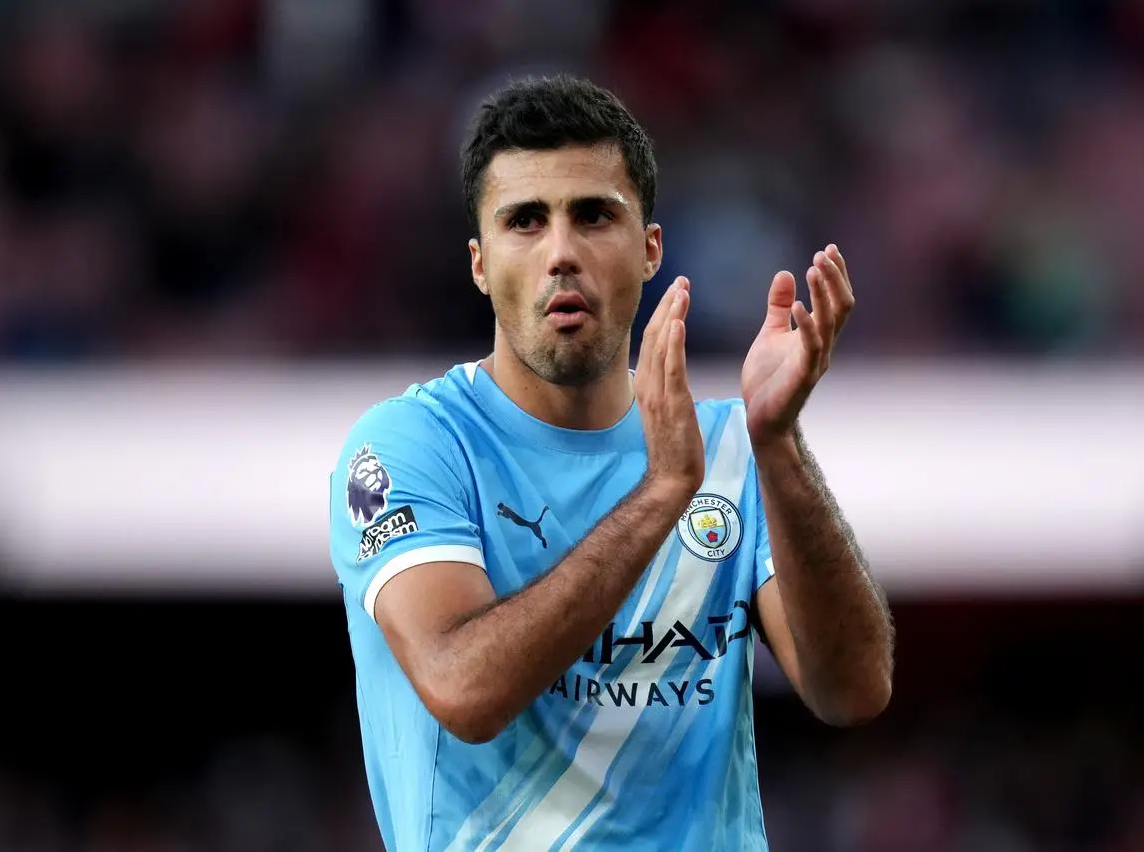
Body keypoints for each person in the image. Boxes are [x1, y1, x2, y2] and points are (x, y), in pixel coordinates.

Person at [329, 74, 895, 851]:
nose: (562, 252)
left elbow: (853, 689)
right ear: (480, 264)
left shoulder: (731, 449)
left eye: (594, 215)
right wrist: (662, 492)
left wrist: (779, 443)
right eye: (525, 221)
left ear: (650, 248)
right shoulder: (410, 446)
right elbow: (464, 689)